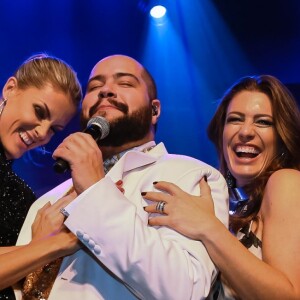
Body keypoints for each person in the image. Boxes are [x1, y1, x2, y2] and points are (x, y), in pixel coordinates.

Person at [14, 54, 229, 300]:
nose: (106, 90)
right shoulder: (47, 201)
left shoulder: (189, 174)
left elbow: (186, 290)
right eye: (95, 86)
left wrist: (96, 190)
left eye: (125, 83)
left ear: (155, 110)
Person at [143, 75, 300, 299]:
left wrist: (207, 227)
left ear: (282, 137)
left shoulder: (286, 181)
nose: (246, 132)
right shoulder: (226, 205)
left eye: (263, 121)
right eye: (235, 119)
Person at [0, 53, 82, 298]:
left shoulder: (21, 196)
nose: (42, 133)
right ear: (10, 88)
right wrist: (59, 243)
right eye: (39, 112)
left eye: (54, 129)